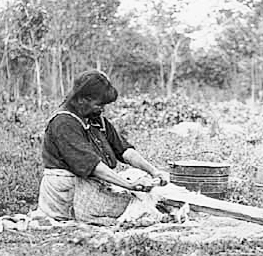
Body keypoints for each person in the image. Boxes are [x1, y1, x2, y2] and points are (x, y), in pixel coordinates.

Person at [36, 69, 170, 221]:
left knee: (144, 202)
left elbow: (124, 150)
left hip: (90, 186)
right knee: (137, 207)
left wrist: (154, 171)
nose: (102, 109)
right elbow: (92, 165)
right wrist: (129, 185)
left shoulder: (96, 120)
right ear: (82, 100)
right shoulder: (64, 123)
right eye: (99, 105)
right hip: (67, 192)